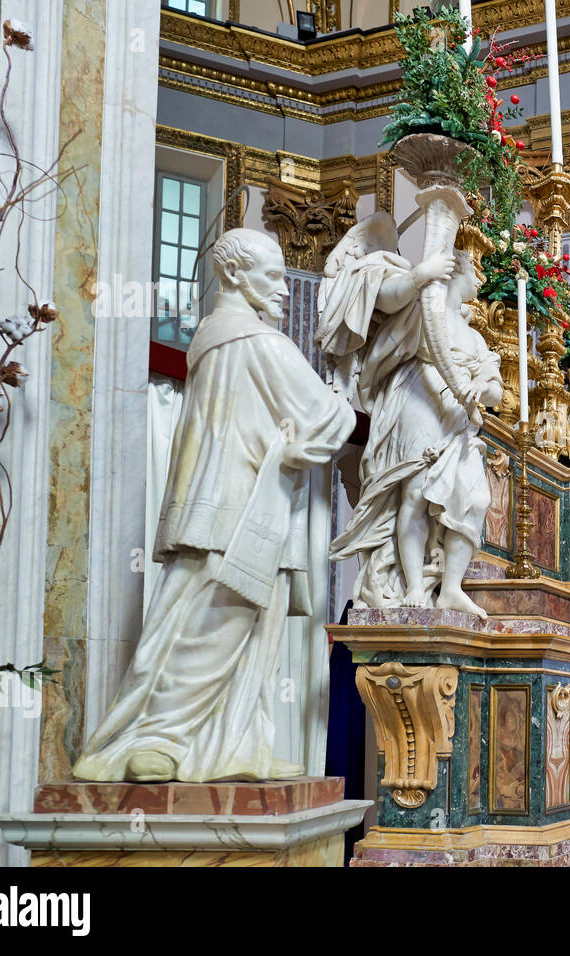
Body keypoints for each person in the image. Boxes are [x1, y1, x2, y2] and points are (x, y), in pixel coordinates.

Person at [73, 230, 354, 783]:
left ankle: (238, 744)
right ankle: (157, 740)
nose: (283, 291)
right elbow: (329, 416)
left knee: (232, 633)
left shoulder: (210, 337)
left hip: (223, 506)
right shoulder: (260, 344)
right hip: (239, 514)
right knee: (208, 633)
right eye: (273, 277)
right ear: (233, 275)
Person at [319, 214, 502, 617]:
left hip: (457, 417)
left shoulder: (474, 337)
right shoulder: (421, 308)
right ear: (455, 270)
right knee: (416, 493)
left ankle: (450, 587)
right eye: (476, 273)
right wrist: (422, 274)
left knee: (474, 496)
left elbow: (496, 391)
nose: (480, 284)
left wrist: (479, 389)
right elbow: (384, 296)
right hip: (417, 398)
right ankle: (415, 584)